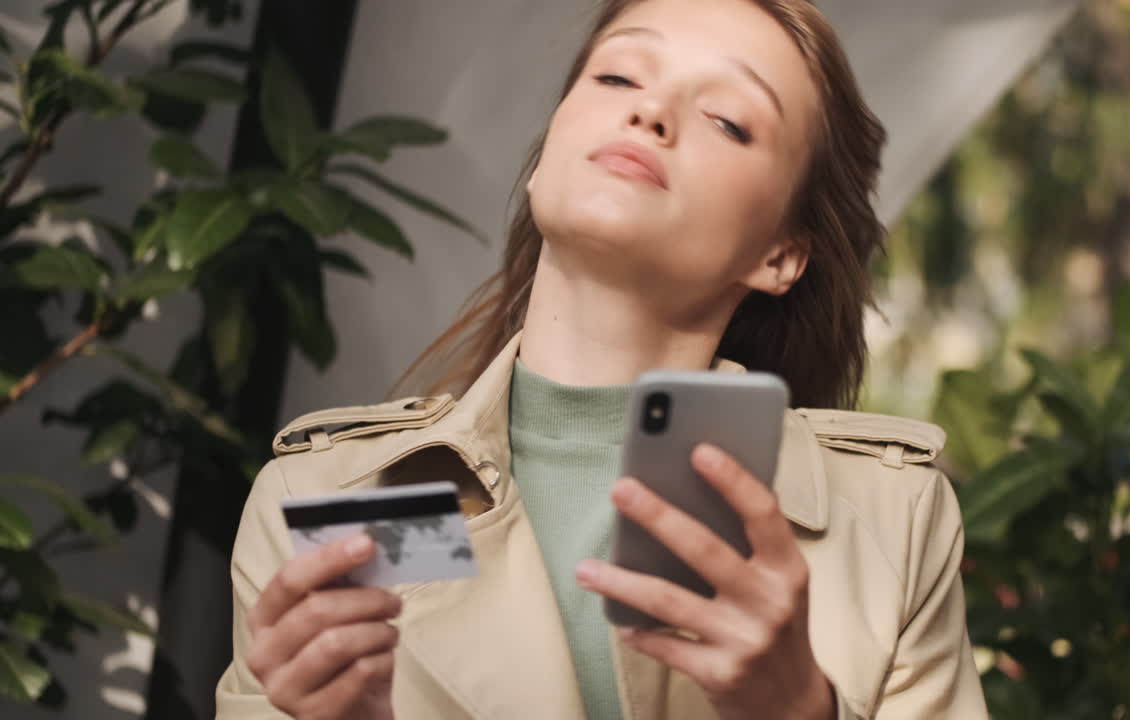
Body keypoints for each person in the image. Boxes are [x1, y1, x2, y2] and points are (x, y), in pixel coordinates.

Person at [215, 0, 989, 718]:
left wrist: (800, 710)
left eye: (728, 120)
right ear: (545, 154)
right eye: (618, 76)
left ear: (781, 255)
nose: (650, 112)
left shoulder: (891, 521)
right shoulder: (328, 500)